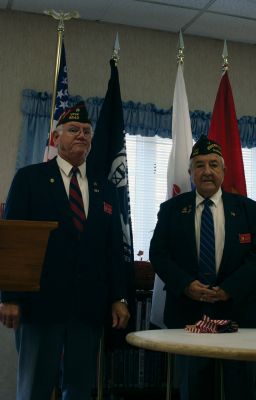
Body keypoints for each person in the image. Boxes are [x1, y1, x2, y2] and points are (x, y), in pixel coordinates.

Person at [0, 101, 130, 400]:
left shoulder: (104, 187)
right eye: (73, 130)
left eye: (86, 131)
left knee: (80, 388)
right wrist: (9, 297)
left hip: (88, 308)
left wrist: (119, 297)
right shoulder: (29, 179)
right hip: (39, 306)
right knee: (35, 387)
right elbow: (14, 241)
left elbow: (112, 250)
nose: (81, 135)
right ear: (56, 138)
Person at [149, 135, 256, 400]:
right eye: (199, 165)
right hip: (189, 316)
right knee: (195, 389)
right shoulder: (171, 209)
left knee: (240, 390)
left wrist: (228, 289)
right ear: (190, 172)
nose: (207, 171)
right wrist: (185, 285)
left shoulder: (250, 210)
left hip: (237, 315)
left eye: (214, 164)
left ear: (224, 171)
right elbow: (158, 253)